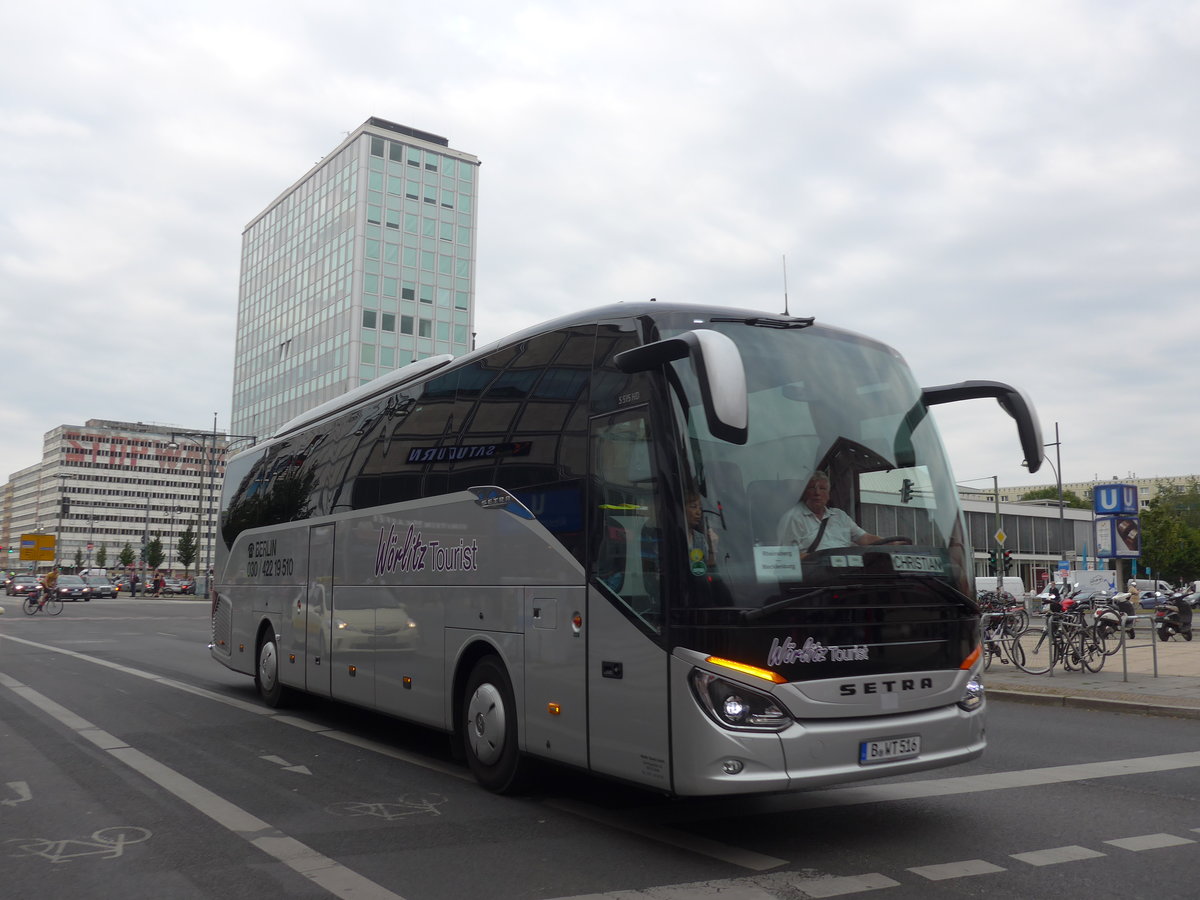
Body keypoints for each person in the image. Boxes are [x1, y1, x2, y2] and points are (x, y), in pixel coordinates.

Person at [776, 471, 887, 557]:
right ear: (804, 492)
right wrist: (818, 558)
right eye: (812, 488)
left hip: (847, 574)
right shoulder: (793, 518)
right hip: (813, 579)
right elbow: (787, 557)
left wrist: (890, 542)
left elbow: (865, 539)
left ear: (828, 494)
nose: (817, 493)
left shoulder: (840, 516)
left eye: (822, 489)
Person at [685, 490, 719, 572]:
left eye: (700, 508)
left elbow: (708, 570)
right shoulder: (672, 537)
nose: (698, 512)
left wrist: (712, 548)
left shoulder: (700, 538)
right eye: (693, 506)